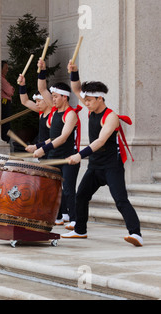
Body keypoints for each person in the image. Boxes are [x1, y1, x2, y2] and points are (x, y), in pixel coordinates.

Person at [62, 61, 143, 247]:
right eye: (86, 100)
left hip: (111, 166)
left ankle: (136, 234)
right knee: (81, 195)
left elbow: (99, 141)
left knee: (120, 200)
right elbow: (76, 89)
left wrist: (78, 155)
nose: (85, 103)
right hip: (95, 166)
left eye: (89, 101)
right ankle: (80, 230)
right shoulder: (91, 107)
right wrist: (74, 71)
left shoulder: (111, 117)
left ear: (100, 99)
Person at [32, 59, 81, 228]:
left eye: (55, 97)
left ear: (64, 97)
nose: (52, 99)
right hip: (54, 156)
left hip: (68, 158)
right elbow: (42, 88)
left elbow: (62, 137)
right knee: (52, 188)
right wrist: (42, 70)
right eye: (52, 97)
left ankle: (75, 220)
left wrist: (42, 149)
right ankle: (58, 217)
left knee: (68, 189)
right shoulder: (54, 111)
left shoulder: (71, 114)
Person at [17, 74, 51, 159]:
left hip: (51, 149)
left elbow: (42, 89)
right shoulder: (41, 112)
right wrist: (22, 86)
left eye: (39, 101)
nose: (36, 104)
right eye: (36, 101)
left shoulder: (53, 112)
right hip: (42, 149)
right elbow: (25, 101)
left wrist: (41, 71)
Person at [1, 60, 16, 152]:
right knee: (5, 125)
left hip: (5, 102)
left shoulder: (3, 78)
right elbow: (10, 91)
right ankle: (5, 141)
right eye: (6, 68)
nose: (7, 70)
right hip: (4, 103)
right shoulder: (1, 79)